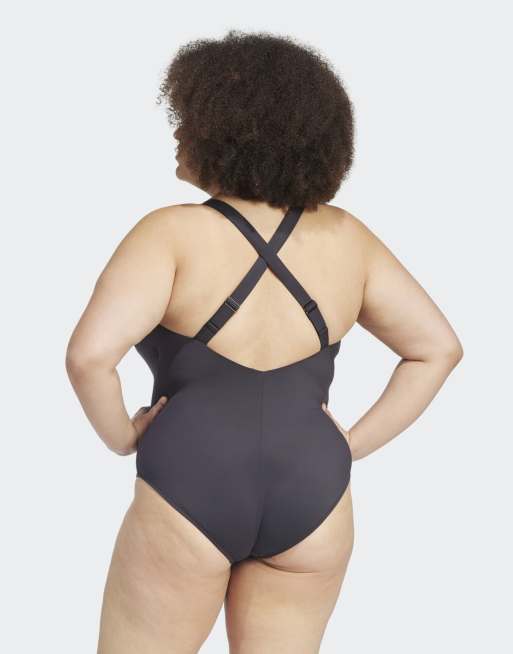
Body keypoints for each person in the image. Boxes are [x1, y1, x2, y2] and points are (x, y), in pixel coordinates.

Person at [65, 29, 463, 654]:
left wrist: (121, 436)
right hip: (314, 494)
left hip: (188, 484)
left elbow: (90, 357)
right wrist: (350, 445)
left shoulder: (167, 234)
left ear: (231, 133)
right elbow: (437, 348)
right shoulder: (349, 240)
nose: (179, 131)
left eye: (191, 117)